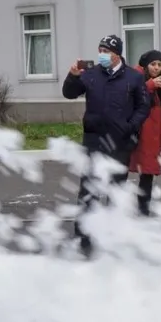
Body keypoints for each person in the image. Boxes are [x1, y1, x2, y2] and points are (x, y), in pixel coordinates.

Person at [62, 34, 150, 257]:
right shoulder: (91, 75)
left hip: (120, 143)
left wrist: (131, 127)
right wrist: (72, 77)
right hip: (94, 140)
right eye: (100, 50)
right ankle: (84, 234)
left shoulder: (133, 77)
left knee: (115, 190)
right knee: (89, 189)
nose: (102, 54)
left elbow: (143, 106)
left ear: (117, 54)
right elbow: (69, 93)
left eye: (107, 51)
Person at [130, 49, 161, 216]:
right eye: (153, 64)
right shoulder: (136, 78)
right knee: (135, 170)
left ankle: (143, 208)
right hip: (140, 134)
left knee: (147, 173)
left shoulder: (157, 81)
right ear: (145, 65)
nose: (157, 68)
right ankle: (137, 208)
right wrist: (151, 86)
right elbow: (131, 95)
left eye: (159, 64)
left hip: (152, 135)